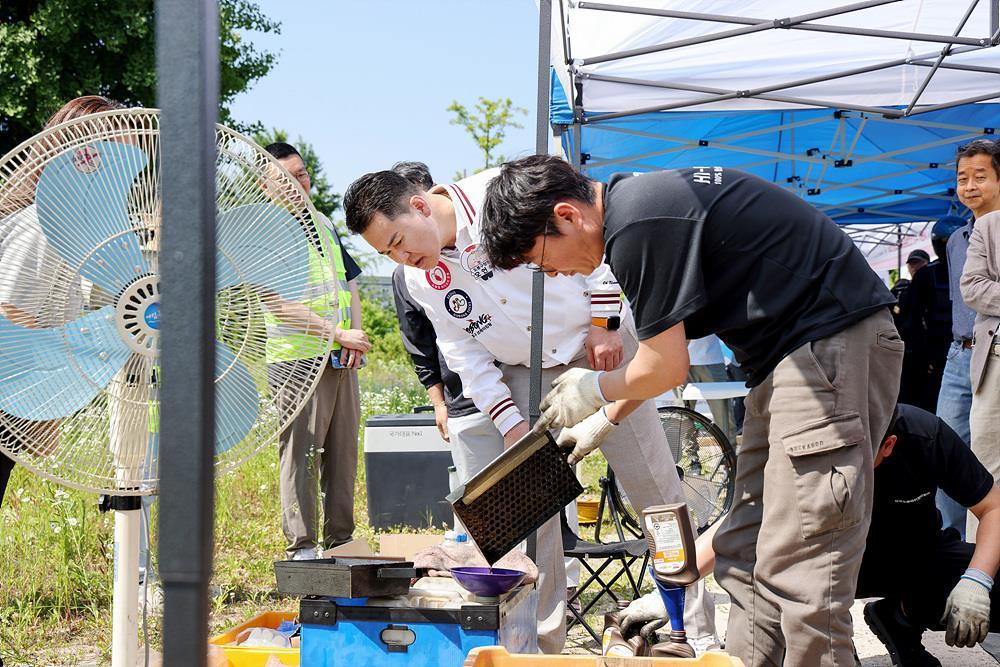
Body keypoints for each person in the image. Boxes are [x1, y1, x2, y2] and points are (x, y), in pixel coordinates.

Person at [477, 155, 902, 666]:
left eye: (545, 261)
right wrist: (603, 417)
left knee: (805, 556)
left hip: (828, 351)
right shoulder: (639, 209)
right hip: (782, 359)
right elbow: (660, 362)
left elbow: (666, 367)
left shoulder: (638, 227)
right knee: (744, 546)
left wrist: (594, 389)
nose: (555, 273)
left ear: (567, 216)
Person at [344, 168, 718, 654]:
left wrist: (605, 321)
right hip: (523, 370)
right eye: (386, 254)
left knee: (656, 493)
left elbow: (595, 235)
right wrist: (511, 423)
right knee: (530, 513)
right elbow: (464, 354)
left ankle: (694, 630)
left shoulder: (503, 192)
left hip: (596, 344)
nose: (401, 258)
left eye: (397, 241)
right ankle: (539, 645)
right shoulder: (419, 281)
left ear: (418, 205)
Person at [619, 403, 1000, 667]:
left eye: (862, 454)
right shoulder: (816, 442)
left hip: (915, 558)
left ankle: (899, 619)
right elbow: (742, 521)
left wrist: (976, 583)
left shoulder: (924, 434)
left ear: (889, 444)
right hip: (830, 568)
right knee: (775, 594)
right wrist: (674, 587)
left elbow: (993, 508)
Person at [0, 95, 125, 513]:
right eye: (115, 151)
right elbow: (13, 315)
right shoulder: (42, 222)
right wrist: (46, 408)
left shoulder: (73, 237)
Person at [264, 142, 370, 560]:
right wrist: (336, 333)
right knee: (301, 454)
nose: (298, 185)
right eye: (285, 179)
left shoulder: (323, 222)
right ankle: (302, 546)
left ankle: (342, 539)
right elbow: (273, 302)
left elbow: (350, 282)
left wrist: (355, 335)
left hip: (342, 355)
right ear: (264, 184)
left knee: (343, 452)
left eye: (302, 174)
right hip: (297, 359)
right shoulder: (263, 231)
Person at [939, 139, 1000, 539]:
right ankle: (947, 541)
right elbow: (960, 302)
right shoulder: (957, 238)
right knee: (944, 450)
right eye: (963, 178)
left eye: (980, 176)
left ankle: (983, 548)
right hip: (959, 354)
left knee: (986, 456)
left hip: (992, 354)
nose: (970, 186)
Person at [962, 206, 1000, 535]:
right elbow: (972, 287)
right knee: (987, 469)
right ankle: (980, 565)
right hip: (996, 357)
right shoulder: (989, 226)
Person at [897, 238, 955, 413]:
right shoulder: (926, 276)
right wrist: (923, 355)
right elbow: (912, 319)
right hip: (932, 355)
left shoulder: (972, 269)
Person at [683, 335, 736, 447]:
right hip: (680, 360)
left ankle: (729, 458)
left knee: (723, 416)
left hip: (712, 358)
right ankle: (690, 460)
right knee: (683, 417)